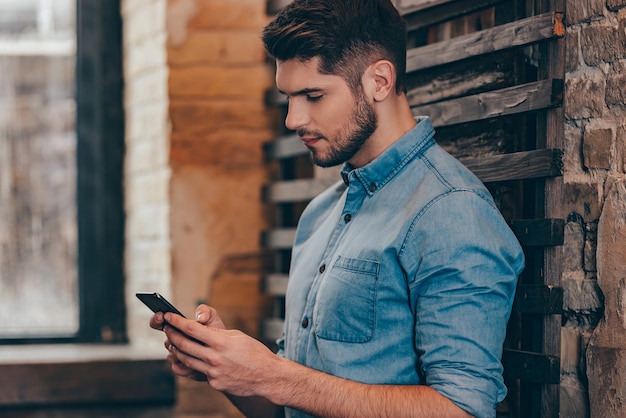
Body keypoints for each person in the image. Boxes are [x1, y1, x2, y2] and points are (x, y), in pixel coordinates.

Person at [150, 0, 525, 417]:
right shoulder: (318, 215)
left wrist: (273, 375)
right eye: (288, 98)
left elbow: (463, 408)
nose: (293, 119)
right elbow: (288, 406)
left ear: (379, 81)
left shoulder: (451, 213)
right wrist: (227, 368)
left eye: (313, 95)